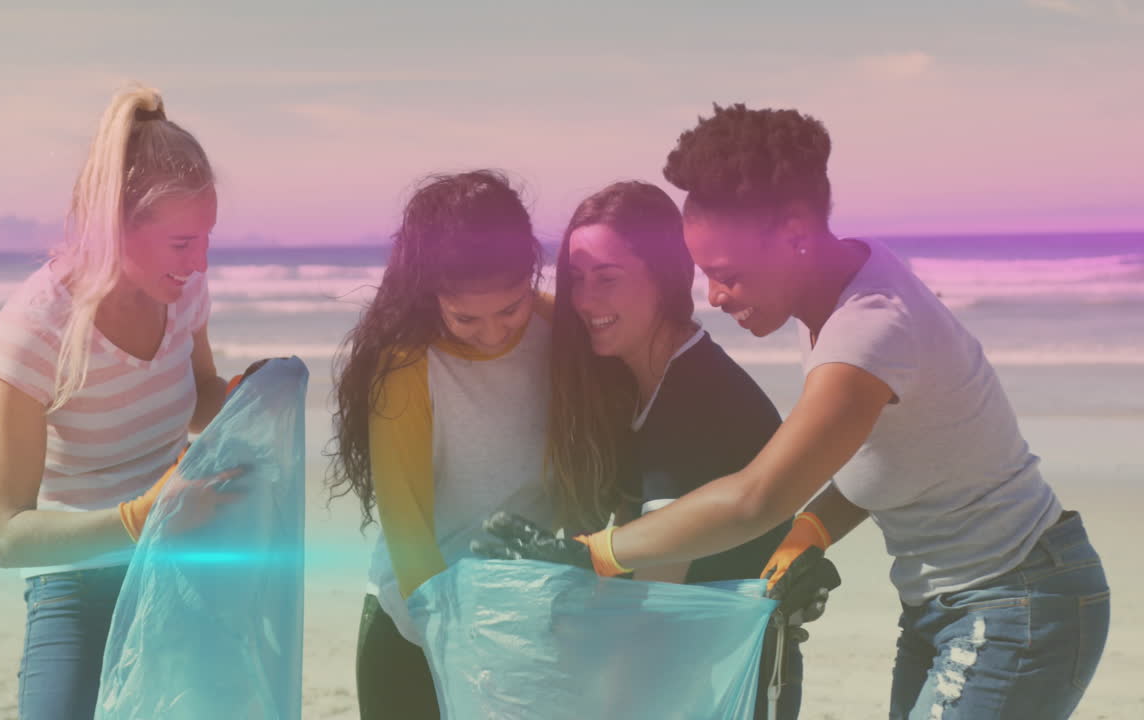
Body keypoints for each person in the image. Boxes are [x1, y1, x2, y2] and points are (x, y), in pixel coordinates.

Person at [482, 103, 1110, 720]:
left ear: (796, 237)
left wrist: (594, 553)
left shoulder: (867, 333)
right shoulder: (846, 286)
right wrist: (814, 531)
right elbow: (906, 453)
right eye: (704, 272)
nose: (714, 296)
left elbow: (757, 497)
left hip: (1015, 600)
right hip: (945, 602)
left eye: (728, 274)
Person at [0, 85, 240, 719]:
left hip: (178, 555)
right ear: (115, 227)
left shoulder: (183, 293)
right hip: (73, 573)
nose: (200, 261)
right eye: (182, 243)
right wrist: (133, 519)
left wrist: (249, 399)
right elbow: (7, 536)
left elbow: (200, 397)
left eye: (205, 238)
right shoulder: (37, 329)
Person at [547, 179, 807, 719]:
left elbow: (658, 594)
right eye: (576, 280)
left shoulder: (695, 398)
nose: (585, 300)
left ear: (665, 277)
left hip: (731, 679)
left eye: (607, 279)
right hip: (692, 667)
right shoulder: (639, 384)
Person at [326, 170, 554, 719]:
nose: (494, 332)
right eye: (466, 317)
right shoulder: (408, 363)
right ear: (432, 295)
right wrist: (461, 645)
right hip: (415, 628)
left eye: (510, 309)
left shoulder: (559, 330)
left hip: (529, 620)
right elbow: (408, 531)